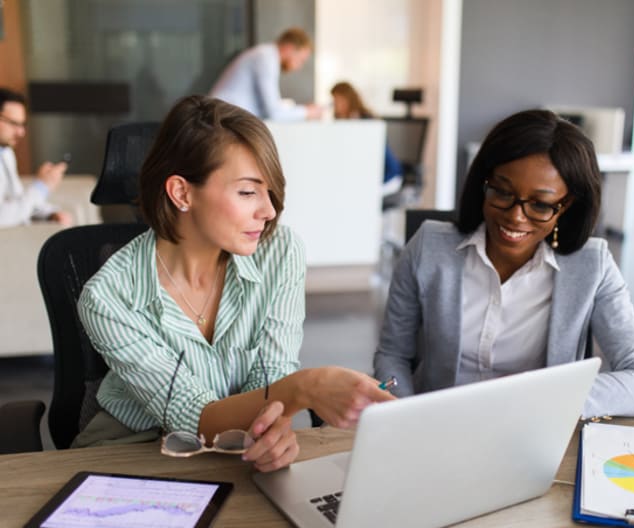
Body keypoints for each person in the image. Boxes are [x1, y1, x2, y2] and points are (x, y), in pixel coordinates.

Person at [75, 95, 393, 470]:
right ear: (181, 192)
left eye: (269, 190)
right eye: (247, 192)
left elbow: (273, 376)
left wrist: (274, 429)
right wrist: (305, 388)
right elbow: (190, 416)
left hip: (235, 443)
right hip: (131, 449)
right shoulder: (108, 296)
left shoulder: (280, 252)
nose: (269, 210)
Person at [374, 109, 634, 419]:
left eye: (540, 204)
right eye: (502, 192)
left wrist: (541, 401)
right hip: (435, 427)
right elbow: (393, 356)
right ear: (484, 183)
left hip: (533, 432)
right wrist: (402, 415)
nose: (515, 216)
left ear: (567, 206)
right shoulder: (428, 247)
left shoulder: (593, 266)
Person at [210, 28, 322, 121]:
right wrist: (307, 112)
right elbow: (274, 112)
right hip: (222, 120)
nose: (298, 67)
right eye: (301, 60)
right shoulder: (266, 58)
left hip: (225, 117)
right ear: (289, 48)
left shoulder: (266, 55)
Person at [0, 88, 73, 228]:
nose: (21, 132)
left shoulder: (5, 152)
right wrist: (41, 186)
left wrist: (49, 214)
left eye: (22, 124)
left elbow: (18, 200)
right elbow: (2, 218)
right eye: (14, 124)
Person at [330, 81, 403, 195]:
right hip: (368, 177)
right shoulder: (342, 123)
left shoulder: (367, 122)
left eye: (337, 100)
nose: (335, 105)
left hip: (387, 177)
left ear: (348, 99)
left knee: (360, 195)